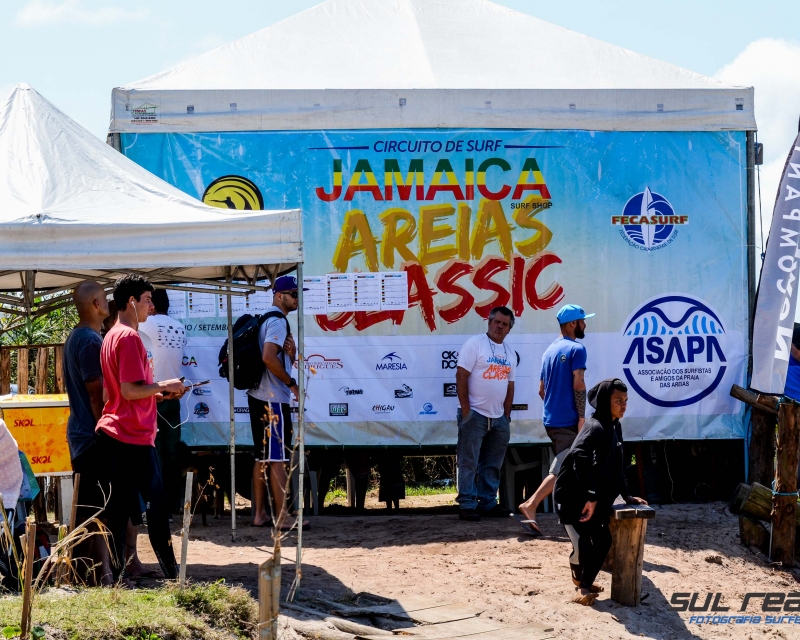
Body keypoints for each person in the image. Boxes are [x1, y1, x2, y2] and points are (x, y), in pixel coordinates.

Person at [95, 274, 186, 580]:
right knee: (157, 506)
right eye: (147, 299)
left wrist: (156, 395)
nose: (151, 306)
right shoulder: (130, 337)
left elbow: (115, 394)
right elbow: (129, 390)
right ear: (132, 302)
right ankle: (173, 575)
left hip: (116, 432)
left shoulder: (111, 335)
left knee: (119, 510)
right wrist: (164, 385)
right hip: (130, 435)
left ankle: (119, 577)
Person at [553, 378, 648, 605]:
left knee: (603, 541)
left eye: (625, 400)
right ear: (606, 401)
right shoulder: (595, 426)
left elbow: (618, 463)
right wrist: (591, 496)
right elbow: (580, 456)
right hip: (572, 497)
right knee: (583, 544)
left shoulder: (615, 425)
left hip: (592, 497)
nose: (623, 405)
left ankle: (584, 585)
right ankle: (579, 582)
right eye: (618, 401)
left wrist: (626, 494)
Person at [516, 304, 592, 536]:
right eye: (582, 321)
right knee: (564, 466)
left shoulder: (549, 351)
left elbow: (541, 390)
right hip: (568, 420)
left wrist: (555, 405)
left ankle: (577, 513)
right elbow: (578, 384)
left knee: (570, 465)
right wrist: (581, 417)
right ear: (572, 324)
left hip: (551, 419)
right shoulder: (577, 349)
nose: (585, 325)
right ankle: (531, 504)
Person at [63, 280, 113, 585]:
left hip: (81, 433)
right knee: (93, 510)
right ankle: (85, 576)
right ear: (96, 304)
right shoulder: (90, 341)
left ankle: (94, 574)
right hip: (91, 435)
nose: (108, 303)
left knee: (93, 509)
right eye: (105, 298)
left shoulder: (78, 336)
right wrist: (104, 429)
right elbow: (96, 392)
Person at [247, 274, 302, 528]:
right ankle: (282, 517)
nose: (296, 298)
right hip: (272, 399)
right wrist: (291, 383)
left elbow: (274, 356)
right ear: (279, 296)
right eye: (293, 294)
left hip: (259, 396)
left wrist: (291, 354)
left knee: (262, 457)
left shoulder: (267, 319)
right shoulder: (278, 321)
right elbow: (268, 357)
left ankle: (260, 514)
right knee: (278, 458)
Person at [455, 306, 516, 521]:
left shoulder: (510, 353)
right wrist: (466, 411)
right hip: (475, 415)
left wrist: (506, 416)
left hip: (499, 418)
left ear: (509, 329)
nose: (500, 326)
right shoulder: (475, 344)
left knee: (492, 464)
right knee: (468, 462)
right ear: (489, 322)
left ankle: (488, 503)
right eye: (496, 322)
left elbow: (510, 386)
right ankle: (467, 504)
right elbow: (461, 376)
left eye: (505, 324)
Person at [139, 288, 187, 514]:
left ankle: (156, 506)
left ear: (152, 305)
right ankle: (173, 503)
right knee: (172, 451)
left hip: (153, 396)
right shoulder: (179, 327)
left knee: (154, 451)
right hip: (174, 397)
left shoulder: (144, 325)